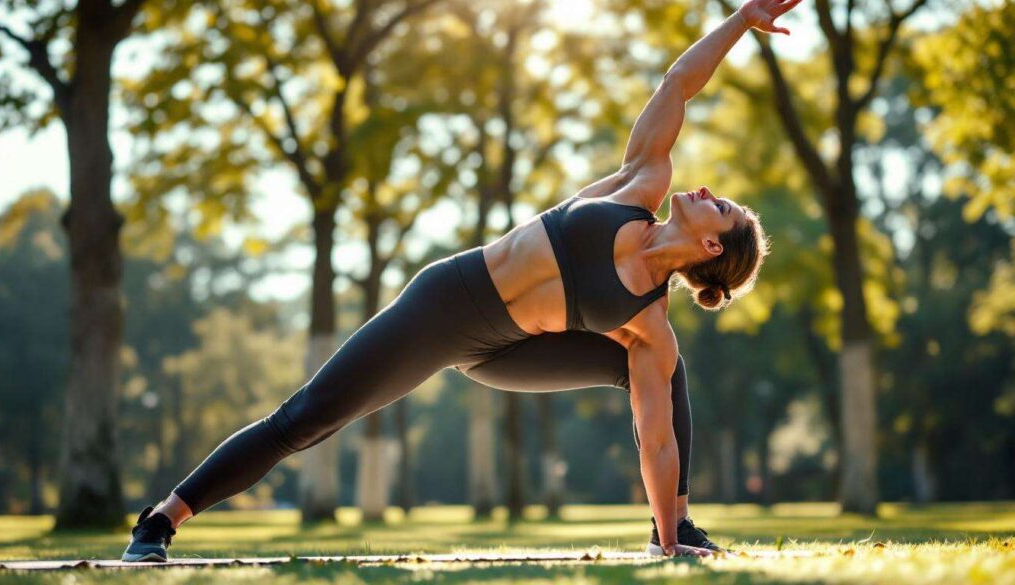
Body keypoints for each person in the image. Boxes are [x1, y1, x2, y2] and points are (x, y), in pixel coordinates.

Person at [122, 0, 797, 563]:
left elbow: (655, 438)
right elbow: (678, 83)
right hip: (447, 306)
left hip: (509, 353)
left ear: (711, 243)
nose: (707, 189)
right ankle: (160, 519)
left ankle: (671, 529)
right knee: (308, 416)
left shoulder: (649, 325)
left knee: (662, 370)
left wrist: (667, 550)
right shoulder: (642, 182)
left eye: (724, 205)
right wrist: (743, 17)